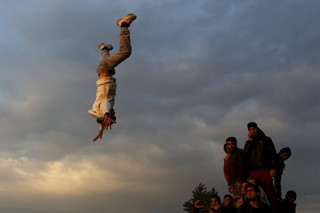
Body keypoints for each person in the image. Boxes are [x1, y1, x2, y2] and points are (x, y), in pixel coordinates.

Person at [88, 13, 137, 141]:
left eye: (113, 117)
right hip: (105, 70)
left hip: (105, 69)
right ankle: (104, 49)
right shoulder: (98, 110)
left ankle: (123, 24)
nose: (115, 115)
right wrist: (100, 130)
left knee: (125, 52)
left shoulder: (103, 107)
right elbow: (101, 118)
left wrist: (107, 115)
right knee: (109, 60)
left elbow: (106, 107)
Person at [244, 122, 278, 212]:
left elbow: (272, 154)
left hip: (265, 169)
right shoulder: (248, 142)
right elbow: (245, 156)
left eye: (254, 128)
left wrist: (273, 168)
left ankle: (275, 210)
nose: (252, 131)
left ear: (257, 128)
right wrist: (250, 142)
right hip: (252, 171)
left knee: (270, 193)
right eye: (250, 129)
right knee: (251, 193)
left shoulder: (266, 139)